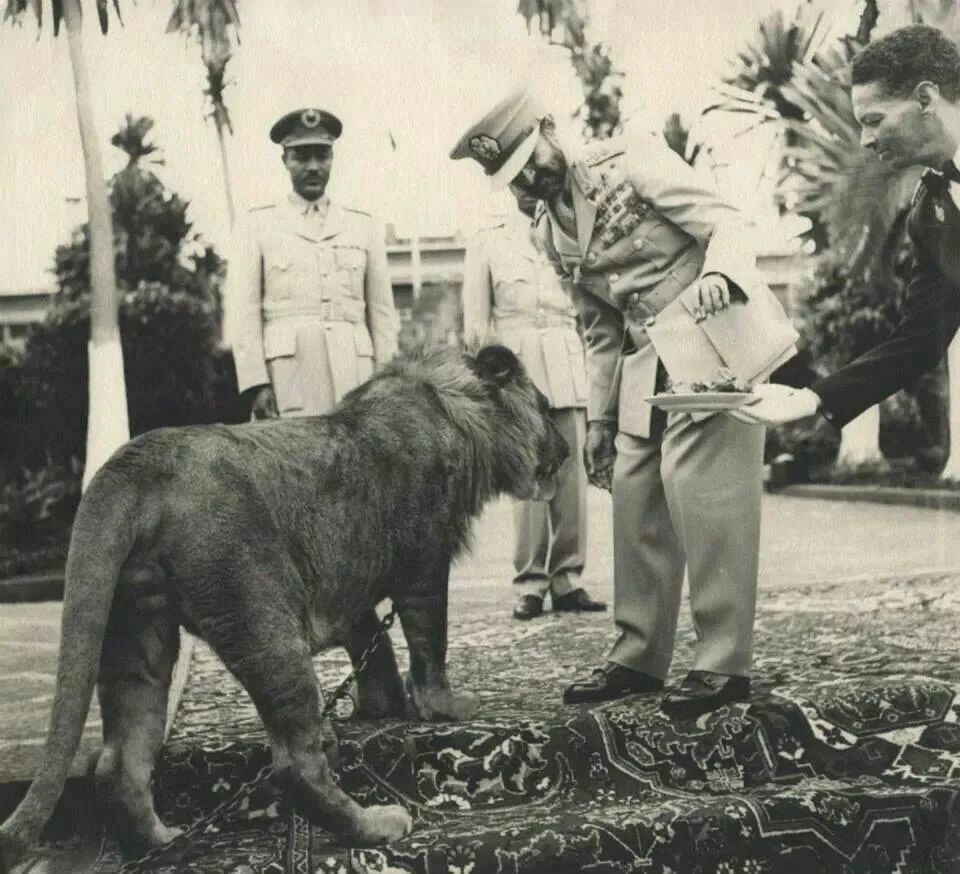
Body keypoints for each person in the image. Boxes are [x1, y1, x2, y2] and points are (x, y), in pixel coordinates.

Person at [451, 89, 798, 716]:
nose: (532, 178)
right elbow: (601, 329)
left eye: (533, 158)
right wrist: (600, 422)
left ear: (552, 128)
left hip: (709, 336)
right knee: (636, 498)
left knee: (704, 494)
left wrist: (722, 273)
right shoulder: (550, 233)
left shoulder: (632, 159)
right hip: (644, 362)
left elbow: (726, 221)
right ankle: (638, 656)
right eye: (514, 177)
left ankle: (723, 663)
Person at [733, 24, 960, 431]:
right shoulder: (929, 210)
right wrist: (814, 398)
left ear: (926, 98)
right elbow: (922, 338)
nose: (865, 139)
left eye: (873, 120)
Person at [462, 192, 607, 621]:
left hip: (566, 362)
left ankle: (568, 579)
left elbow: (590, 307)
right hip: (515, 371)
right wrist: (489, 383)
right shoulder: (489, 239)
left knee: (571, 480)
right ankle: (530, 583)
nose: (527, 188)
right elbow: (476, 322)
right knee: (527, 479)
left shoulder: (572, 228)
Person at [228, 107, 398, 420]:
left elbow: (383, 315)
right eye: (301, 157)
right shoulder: (258, 225)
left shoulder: (363, 225)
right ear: (285, 161)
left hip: (357, 379)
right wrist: (256, 384)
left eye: (322, 156)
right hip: (288, 381)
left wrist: (387, 382)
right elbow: (244, 314)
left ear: (333, 157)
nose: (313, 167)